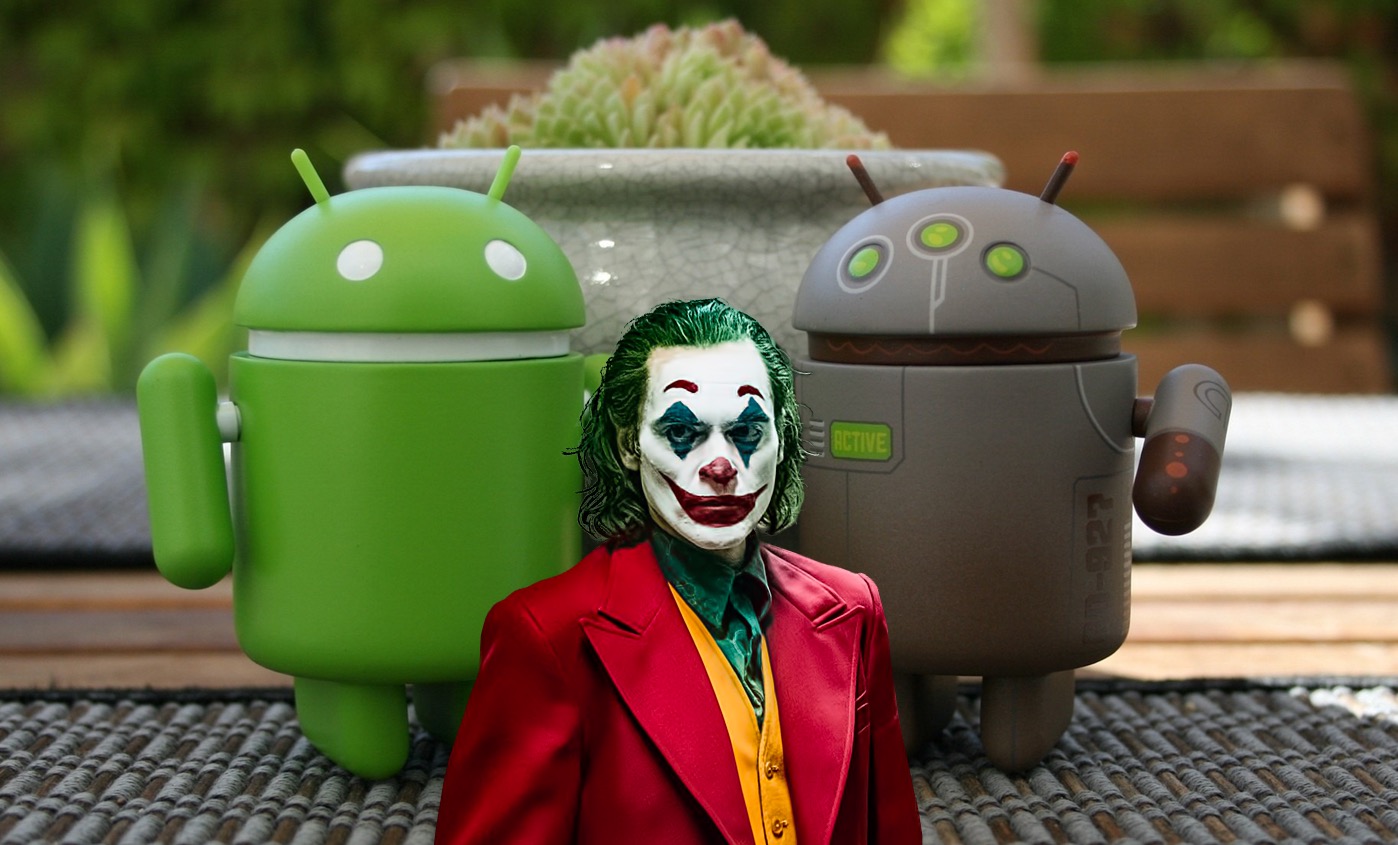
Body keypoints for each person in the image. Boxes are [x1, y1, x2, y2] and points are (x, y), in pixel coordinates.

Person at [435, 299, 922, 844]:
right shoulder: (546, 634)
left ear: (782, 440)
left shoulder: (852, 608)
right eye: (682, 432)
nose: (720, 466)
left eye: (747, 431)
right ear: (629, 444)